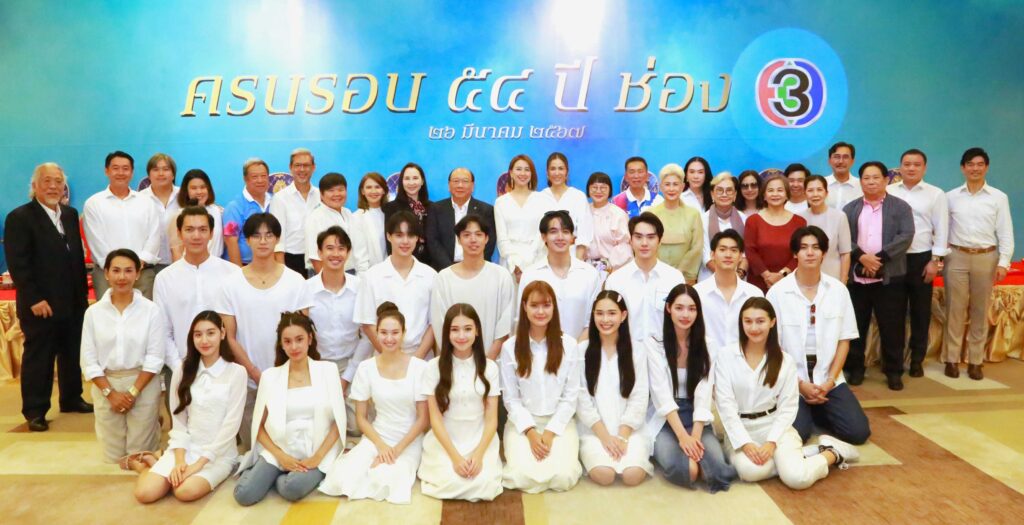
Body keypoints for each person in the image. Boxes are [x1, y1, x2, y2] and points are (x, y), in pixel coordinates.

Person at [715, 298, 859, 490]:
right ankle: (804, 455)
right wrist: (746, 443)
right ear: (741, 323)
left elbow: (788, 406)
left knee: (797, 479)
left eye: (760, 321)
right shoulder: (725, 356)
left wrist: (771, 443)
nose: (754, 328)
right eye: (748, 321)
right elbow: (725, 405)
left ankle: (832, 453)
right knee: (750, 472)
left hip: (774, 426)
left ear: (772, 322)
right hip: (740, 428)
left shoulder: (785, 361)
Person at [3, 162, 92, 431]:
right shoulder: (20, 217)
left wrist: (81, 297)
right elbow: (18, 264)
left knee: (71, 352)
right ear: (35, 186)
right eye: (47, 181)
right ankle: (35, 410)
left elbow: (75, 258)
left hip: (72, 300)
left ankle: (71, 397)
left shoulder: (70, 214)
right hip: (41, 303)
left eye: (58, 181)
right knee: (39, 356)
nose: (53, 186)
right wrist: (34, 298)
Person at [767, 227, 870, 444]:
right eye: (804, 248)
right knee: (799, 434)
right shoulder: (777, 293)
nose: (810, 253)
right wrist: (799, 384)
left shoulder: (838, 290)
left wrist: (830, 381)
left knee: (858, 433)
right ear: (795, 254)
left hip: (828, 380)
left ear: (823, 253)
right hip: (791, 381)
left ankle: (820, 409)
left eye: (815, 247)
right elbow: (772, 347)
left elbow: (844, 341)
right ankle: (809, 411)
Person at [319, 303, 429, 504]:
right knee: (343, 476)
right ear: (376, 333)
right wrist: (381, 446)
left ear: (404, 333)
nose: (389, 338)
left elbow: (423, 419)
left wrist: (395, 450)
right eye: (384, 332)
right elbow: (361, 418)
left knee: (384, 478)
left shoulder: (419, 368)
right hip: (377, 435)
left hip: (408, 439)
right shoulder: (366, 368)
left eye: (395, 332)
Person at [133, 311, 247, 503]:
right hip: (185, 448)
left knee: (184, 492)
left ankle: (158, 462)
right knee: (145, 494)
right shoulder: (183, 369)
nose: (204, 340)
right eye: (198, 334)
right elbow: (178, 421)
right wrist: (180, 461)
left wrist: (198, 465)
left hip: (218, 454)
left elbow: (231, 425)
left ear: (222, 333)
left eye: (210, 333)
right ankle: (147, 466)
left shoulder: (237, 372)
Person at [233, 313, 347, 506]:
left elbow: (339, 422)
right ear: (281, 344)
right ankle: (269, 471)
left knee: (292, 488)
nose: (294, 347)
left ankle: (279, 478)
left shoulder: (328, 370)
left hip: (317, 449)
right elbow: (258, 425)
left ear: (310, 339)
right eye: (287, 341)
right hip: (281, 448)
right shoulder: (270, 376)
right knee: (244, 494)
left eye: (299, 339)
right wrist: (281, 457)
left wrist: (317, 457)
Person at [218, 213, 311, 447]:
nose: (263, 241)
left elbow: (302, 335)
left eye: (269, 235)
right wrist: (254, 372)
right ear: (247, 240)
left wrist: (282, 372)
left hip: (289, 378)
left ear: (277, 239)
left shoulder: (296, 281)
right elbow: (229, 337)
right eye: (256, 235)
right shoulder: (230, 283)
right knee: (253, 448)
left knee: (289, 447)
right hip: (248, 380)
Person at [645, 284, 736, 492]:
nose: (685, 314)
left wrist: (694, 436)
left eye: (691, 309)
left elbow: (704, 394)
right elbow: (661, 395)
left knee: (716, 471)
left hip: (696, 415)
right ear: (668, 308)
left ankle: (699, 448)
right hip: (665, 418)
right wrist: (683, 437)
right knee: (689, 470)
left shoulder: (708, 345)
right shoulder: (654, 343)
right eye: (679, 308)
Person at [80, 249, 165, 465]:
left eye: (128, 271)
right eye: (116, 271)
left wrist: (133, 392)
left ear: (138, 274)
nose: (122, 277)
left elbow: (155, 358)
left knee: (141, 455)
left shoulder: (151, 310)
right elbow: (88, 360)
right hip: (106, 385)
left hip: (143, 384)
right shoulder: (93, 313)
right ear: (106, 273)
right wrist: (110, 394)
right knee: (113, 458)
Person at [499, 281, 583, 493]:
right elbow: (511, 399)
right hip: (522, 424)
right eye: (534, 305)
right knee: (520, 476)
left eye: (546, 305)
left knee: (564, 477)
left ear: (554, 307)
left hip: (560, 423)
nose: (540, 311)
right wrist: (531, 433)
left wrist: (550, 432)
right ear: (524, 307)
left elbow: (571, 396)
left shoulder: (569, 345)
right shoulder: (510, 347)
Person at [154, 207, 240, 407]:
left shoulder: (232, 273)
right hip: (180, 368)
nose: (196, 236)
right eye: (189, 229)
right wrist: (181, 368)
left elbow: (238, 328)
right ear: (179, 233)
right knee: (181, 423)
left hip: (225, 369)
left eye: (202, 229)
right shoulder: (165, 278)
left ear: (212, 233)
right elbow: (163, 331)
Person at [418, 304, 503, 501]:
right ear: (447, 333)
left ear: (477, 331)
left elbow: (491, 420)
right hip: (446, 440)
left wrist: (478, 455)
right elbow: (435, 420)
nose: (461, 336)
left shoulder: (490, 368)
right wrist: (455, 458)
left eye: (467, 329)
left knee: (483, 485)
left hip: (480, 439)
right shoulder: (433, 367)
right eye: (455, 330)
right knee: (449, 482)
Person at [944, 147, 1014, 380]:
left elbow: (1005, 232)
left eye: (980, 164)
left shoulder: (998, 197)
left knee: (980, 310)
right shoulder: (950, 197)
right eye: (970, 164)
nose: (975, 168)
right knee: (954, 309)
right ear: (963, 168)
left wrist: (1004, 262)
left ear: (987, 167)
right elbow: (943, 230)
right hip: (957, 256)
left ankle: (975, 361)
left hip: (986, 257)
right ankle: (952, 359)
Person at [842, 161, 915, 390]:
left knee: (892, 327)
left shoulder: (900, 207)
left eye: (876, 178)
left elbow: (906, 235)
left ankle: (893, 371)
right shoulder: (850, 208)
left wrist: (879, 259)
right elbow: (844, 237)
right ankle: (856, 368)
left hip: (890, 278)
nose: (871, 182)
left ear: (886, 180)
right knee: (856, 326)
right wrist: (862, 257)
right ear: (861, 181)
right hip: (858, 278)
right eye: (866, 178)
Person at [576, 291, 651, 486]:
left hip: (630, 430)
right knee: (604, 475)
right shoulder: (581, 351)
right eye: (599, 313)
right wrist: (605, 437)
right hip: (594, 431)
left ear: (623, 315)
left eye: (612, 313)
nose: (605, 319)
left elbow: (640, 396)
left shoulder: (637, 350)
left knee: (632, 476)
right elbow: (582, 400)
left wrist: (622, 437)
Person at [887, 149, 949, 378]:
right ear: (900, 167)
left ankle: (916, 360)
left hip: (922, 259)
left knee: (920, 313)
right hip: (894, 259)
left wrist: (935, 261)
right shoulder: (888, 191)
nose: (911, 168)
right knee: (893, 313)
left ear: (925, 167)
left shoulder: (936, 194)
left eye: (916, 164)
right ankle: (893, 361)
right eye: (907, 164)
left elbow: (942, 229)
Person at [304, 226, 373, 407]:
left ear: (348, 253)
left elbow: (367, 335)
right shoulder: (306, 289)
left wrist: (347, 377)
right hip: (316, 366)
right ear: (319, 252)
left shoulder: (360, 287)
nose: (336, 254)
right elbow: (301, 334)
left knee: (357, 422)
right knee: (320, 418)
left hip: (352, 364)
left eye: (341, 248)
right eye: (329, 248)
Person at [431, 215, 515, 359]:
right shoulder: (443, 278)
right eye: (466, 235)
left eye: (478, 234)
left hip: (492, 362)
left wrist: (487, 363)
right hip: (454, 362)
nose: (473, 240)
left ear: (487, 238)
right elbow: (440, 325)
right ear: (458, 239)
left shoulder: (501, 276)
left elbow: (505, 325)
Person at [355, 211, 438, 358]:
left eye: (410, 235)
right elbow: (368, 324)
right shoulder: (372, 276)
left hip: (422, 359)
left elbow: (434, 323)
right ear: (388, 236)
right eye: (399, 235)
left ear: (417, 238)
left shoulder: (430, 276)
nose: (405, 241)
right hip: (384, 357)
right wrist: (393, 358)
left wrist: (416, 359)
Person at [83, 151, 161, 298]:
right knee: (107, 313)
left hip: (142, 274)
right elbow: (96, 242)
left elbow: (154, 236)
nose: (120, 173)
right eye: (115, 168)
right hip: (107, 275)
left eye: (125, 168)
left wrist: (137, 265)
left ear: (132, 172)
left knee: (145, 312)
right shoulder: (93, 203)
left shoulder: (146, 202)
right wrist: (118, 268)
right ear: (106, 171)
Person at [518, 210, 603, 341]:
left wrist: (574, 350)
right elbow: (522, 320)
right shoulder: (530, 275)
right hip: (540, 350)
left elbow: (593, 321)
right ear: (544, 237)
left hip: (581, 349)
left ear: (572, 237)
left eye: (565, 231)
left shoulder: (590, 274)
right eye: (553, 232)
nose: (560, 237)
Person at [604, 213, 685, 341]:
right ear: (630, 240)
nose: (644, 243)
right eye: (638, 237)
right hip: (628, 350)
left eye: (651, 237)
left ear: (660, 241)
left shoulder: (674, 278)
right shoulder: (615, 280)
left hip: (664, 351)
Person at [695, 231, 764, 348]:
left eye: (734, 250)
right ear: (712, 255)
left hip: (743, 358)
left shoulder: (754, 294)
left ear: (741, 256)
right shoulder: (698, 292)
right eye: (722, 250)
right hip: (707, 358)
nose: (728, 255)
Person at [495, 154, 557, 278]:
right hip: (509, 264)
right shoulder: (501, 202)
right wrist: (515, 264)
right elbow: (502, 239)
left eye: (527, 170)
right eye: (518, 169)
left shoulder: (543, 200)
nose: (523, 173)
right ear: (511, 173)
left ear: (531, 174)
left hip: (537, 259)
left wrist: (526, 263)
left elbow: (542, 234)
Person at [424, 167, 497, 271]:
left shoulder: (486, 210)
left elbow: (489, 242)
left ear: (473, 186)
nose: (460, 185)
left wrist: (472, 266)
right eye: (456, 181)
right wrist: (449, 269)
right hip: (443, 270)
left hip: (477, 269)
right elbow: (432, 241)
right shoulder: (436, 208)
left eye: (465, 181)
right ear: (449, 185)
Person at [744, 174, 807, 292]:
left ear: (787, 194)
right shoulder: (753, 221)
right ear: (764, 195)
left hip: (789, 282)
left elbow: (800, 253)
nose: (775, 194)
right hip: (758, 283)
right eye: (770, 190)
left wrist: (781, 274)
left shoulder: (800, 222)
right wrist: (767, 276)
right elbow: (750, 251)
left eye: (780, 190)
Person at [270, 148, 321, 275]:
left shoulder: (322, 196)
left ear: (313, 168)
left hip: (319, 259)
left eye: (306, 165)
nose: (302, 169)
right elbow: (278, 239)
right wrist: (282, 272)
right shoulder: (280, 198)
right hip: (291, 261)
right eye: (297, 165)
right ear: (290, 168)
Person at [649, 163, 703, 283]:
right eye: (667, 184)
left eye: (675, 184)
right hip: (656, 276)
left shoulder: (693, 214)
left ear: (682, 186)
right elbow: (647, 245)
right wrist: (661, 271)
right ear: (661, 187)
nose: (671, 189)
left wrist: (678, 272)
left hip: (685, 279)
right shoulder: (651, 214)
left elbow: (697, 248)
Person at [799, 175, 852, 282]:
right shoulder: (799, 218)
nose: (815, 194)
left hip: (833, 277)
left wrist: (843, 282)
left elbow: (845, 253)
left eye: (819, 190)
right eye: (810, 190)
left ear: (826, 193)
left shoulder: (839, 216)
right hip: (805, 278)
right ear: (804, 194)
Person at [541, 152, 593, 259]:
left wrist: (577, 263)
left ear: (567, 172)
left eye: (561, 168)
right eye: (553, 169)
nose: (557, 173)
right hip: (545, 256)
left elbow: (584, 233)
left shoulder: (578, 196)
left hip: (573, 255)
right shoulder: (540, 197)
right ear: (547, 173)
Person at [699, 173, 748, 282]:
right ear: (712, 194)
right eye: (720, 190)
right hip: (709, 277)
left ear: (735, 195)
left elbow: (746, 253)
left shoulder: (744, 219)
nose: (724, 194)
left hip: (739, 279)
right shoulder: (702, 219)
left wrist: (739, 275)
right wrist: (726, 276)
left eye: (729, 190)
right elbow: (705, 255)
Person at [224, 158, 272, 266]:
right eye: (255, 177)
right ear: (245, 179)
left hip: (269, 265)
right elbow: (231, 241)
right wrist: (239, 272)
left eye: (263, 176)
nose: (260, 180)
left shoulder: (276, 201)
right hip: (244, 265)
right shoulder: (234, 207)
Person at [304, 172, 355, 274]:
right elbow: (315, 257)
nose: (337, 194)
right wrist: (326, 279)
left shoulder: (348, 213)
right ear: (321, 195)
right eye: (331, 190)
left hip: (349, 272)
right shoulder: (315, 217)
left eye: (341, 190)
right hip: (324, 273)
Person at [168, 169, 224, 260]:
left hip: (216, 265)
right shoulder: (179, 215)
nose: (199, 192)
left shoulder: (218, 211)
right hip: (189, 266)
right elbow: (176, 252)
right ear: (186, 191)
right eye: (193, 188)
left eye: (203, 187)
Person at [382, 162, 431, 265]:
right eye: (407, 179)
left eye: (415, 178)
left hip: (430, 264)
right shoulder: (391, 208)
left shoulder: (433, 207)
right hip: (403, 262)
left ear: (422, 181)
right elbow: (390, 241)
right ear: (401, 182)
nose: (411, 183)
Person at [139, 153, 181, 273]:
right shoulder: (139, 199)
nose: (161, 173)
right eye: (156, 169)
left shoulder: (184, 195)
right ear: (149, 175)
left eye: (166, 169)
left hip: (180, 262)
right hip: (148, 265)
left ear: (173, 174)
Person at [586, 171, 633, 274]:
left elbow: (624, 246)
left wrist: (606, 266)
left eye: (603, 188)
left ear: (610, 190)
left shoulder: (618, 214)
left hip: (614, 268)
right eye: (594, 187)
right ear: (588, 190)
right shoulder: (583, 212)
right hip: (586, 269)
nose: (598, 191)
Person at [350, 172, 389, 273]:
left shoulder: (391, 214)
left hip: (391, 272)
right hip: (369, 274)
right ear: (362, 191)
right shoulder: (356, 218)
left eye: (377, 187)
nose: (373, 191)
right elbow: (360, 256)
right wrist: (365, 278)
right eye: (369, 187)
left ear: (384, 190)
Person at [825, 142, 863, 210]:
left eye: (845, 157)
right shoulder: (821, 184)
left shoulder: (862, 186)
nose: (841, 161)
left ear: (852, 161)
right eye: (837, 157)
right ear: (829, 161)